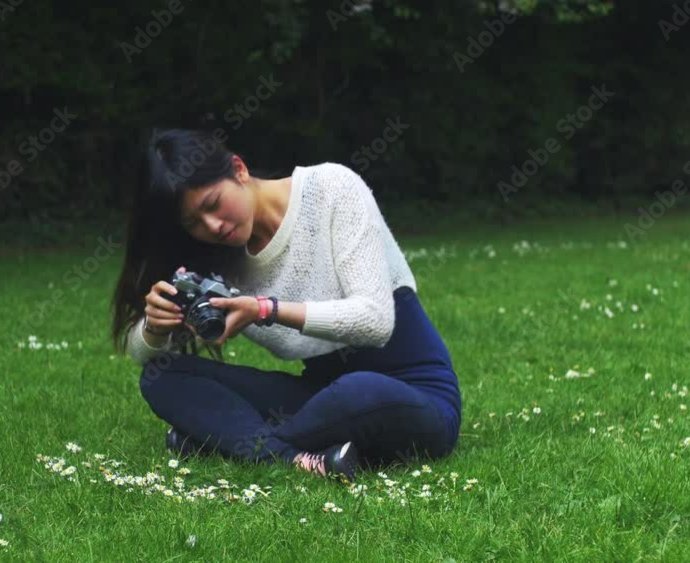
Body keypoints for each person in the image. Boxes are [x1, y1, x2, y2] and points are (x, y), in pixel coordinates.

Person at [110, 128, 462, 483]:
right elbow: (142, 354)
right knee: (162, 377)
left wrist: (266, 310)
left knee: (360, 389)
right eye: (193, 224)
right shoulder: (216, 260)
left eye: (213, 204)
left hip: (411, 396)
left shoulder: (332, 188)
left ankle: (225, 441)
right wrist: (155, 326)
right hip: (320, 398)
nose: (212, 226)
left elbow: (375, 322)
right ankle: (299, 459)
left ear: (239, 169)